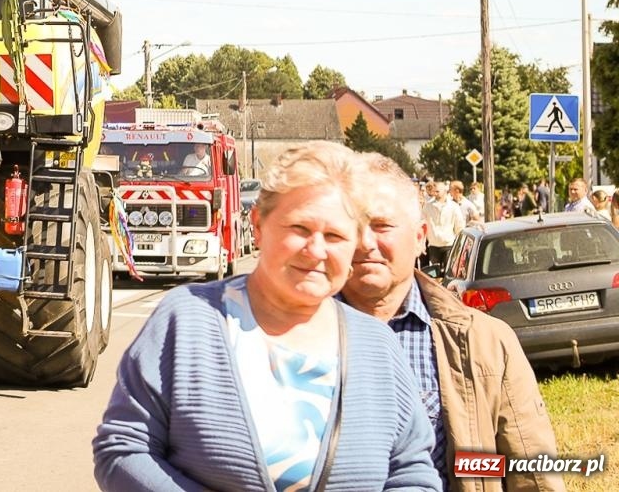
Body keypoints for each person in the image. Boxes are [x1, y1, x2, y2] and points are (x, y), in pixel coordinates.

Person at [94, 142, 441, 492]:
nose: (316, 250)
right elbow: (123, 451)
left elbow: (411, 471)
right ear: (258, 224)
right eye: (300, 229)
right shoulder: (187, 320)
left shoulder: (377, 346)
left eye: (334, 235)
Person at [343, 153, 563, 491]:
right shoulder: (290, 336)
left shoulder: (485, 341)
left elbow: (531, 473)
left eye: (382, 226)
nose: (365, 242)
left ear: (420, 237)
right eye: (349, 227)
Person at [420, 181, 464, 269]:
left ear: (444, 191)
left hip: (449, 244)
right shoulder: (428, 207)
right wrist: (423, 243)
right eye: (434, 191)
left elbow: (459, 226)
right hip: (434, 245)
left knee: (448, 271)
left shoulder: (453, 206)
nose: (435, 193)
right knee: (435, 274)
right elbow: (422, 224)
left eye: (437, 191)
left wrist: (459, 244)